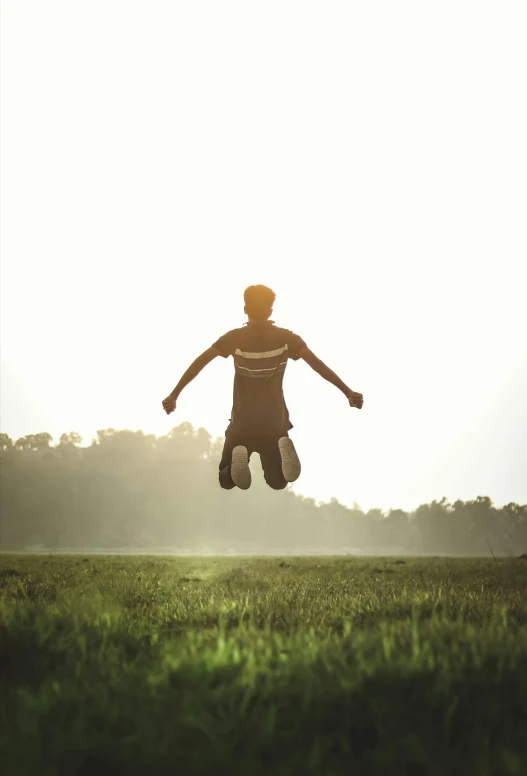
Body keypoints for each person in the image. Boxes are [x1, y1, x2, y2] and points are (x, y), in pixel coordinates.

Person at [162, 285, 363, 491]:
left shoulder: (234, 338)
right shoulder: (286, 338)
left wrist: (174, 394)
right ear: (270, 311)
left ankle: (235, 463)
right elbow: (317, 364)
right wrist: (348, 392)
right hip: (275, 425)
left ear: (245, 309)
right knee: (277, 482)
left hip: (242, 424)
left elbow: (200, 362)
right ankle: (281, 449)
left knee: (226, 481)